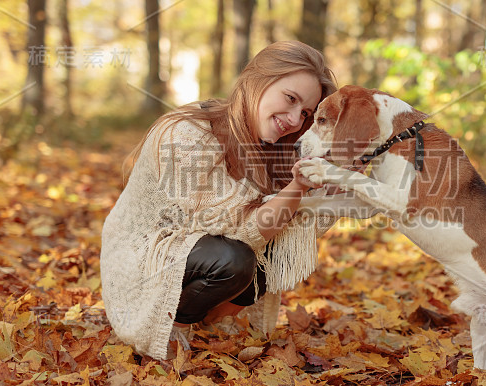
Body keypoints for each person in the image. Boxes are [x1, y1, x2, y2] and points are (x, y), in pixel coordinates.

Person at [100, 41, 338, 360]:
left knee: (275, 250)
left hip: (200, 252)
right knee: (234, 259)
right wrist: (296, 187)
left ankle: (204, 325)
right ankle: (173, 327)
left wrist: (339, 174)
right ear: (258, 80)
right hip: (144, 258)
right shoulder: (190, 132)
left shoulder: (273, 147)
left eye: (305, 112)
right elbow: (236, 230)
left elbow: (301, 225)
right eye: (290, 99)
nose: (295, 119)